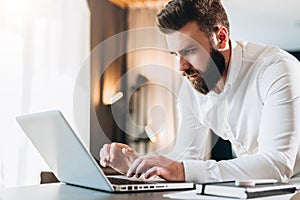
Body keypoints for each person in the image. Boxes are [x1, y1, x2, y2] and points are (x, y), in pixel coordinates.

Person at [100, 0, 300, 183]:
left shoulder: (276, 69)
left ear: (221, 38)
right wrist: (138, 165)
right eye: (175, 54)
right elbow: (186, 158)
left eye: (189, 51)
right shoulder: (194, 83)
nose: (181, 67)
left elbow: (277, 165)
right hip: (253, 188)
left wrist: (181, 170)